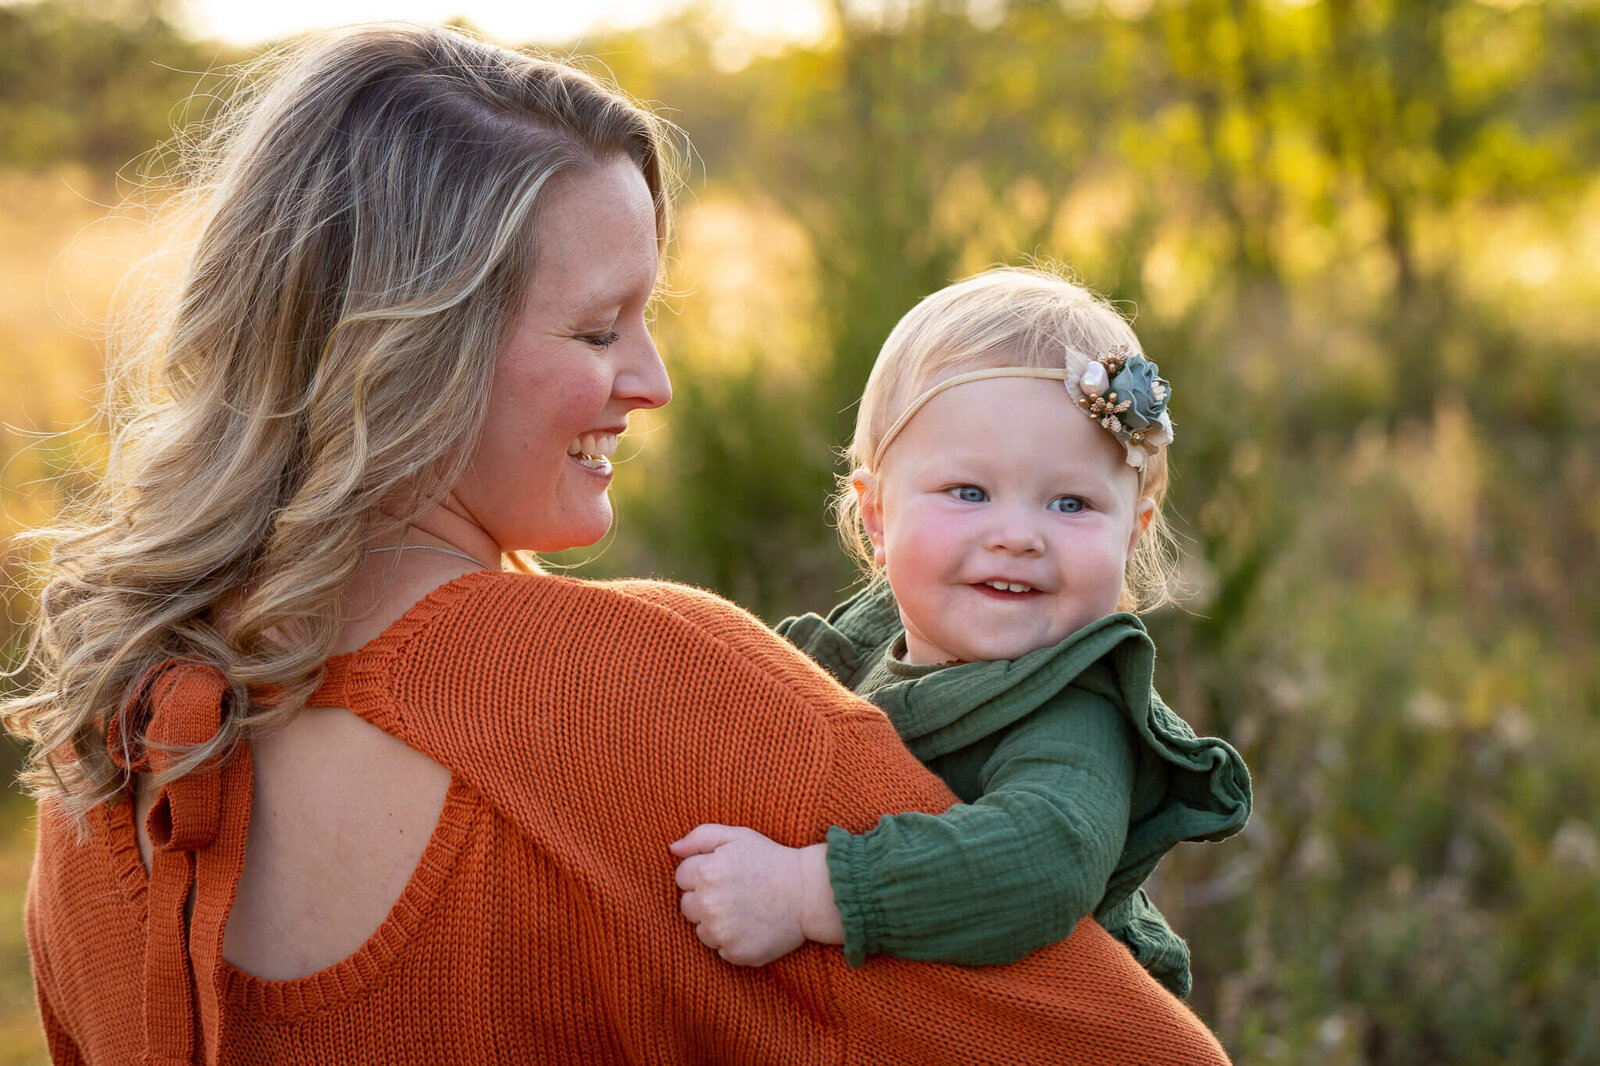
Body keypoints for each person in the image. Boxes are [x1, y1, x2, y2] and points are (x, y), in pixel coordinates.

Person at [4, 24, 1234, 1065]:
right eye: (599, 330)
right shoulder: (653, 699)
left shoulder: (100, 762)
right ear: (412, 353)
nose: (649, 381)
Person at [671, 268, 1251, 998]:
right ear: (877, 515)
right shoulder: (865, 639)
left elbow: (1040, 862)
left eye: (1070, 503)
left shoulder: (1076, 709)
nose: (1017, 536)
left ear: (1132, 534)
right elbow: (757, 694)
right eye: (969, 493)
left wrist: (808, 891)